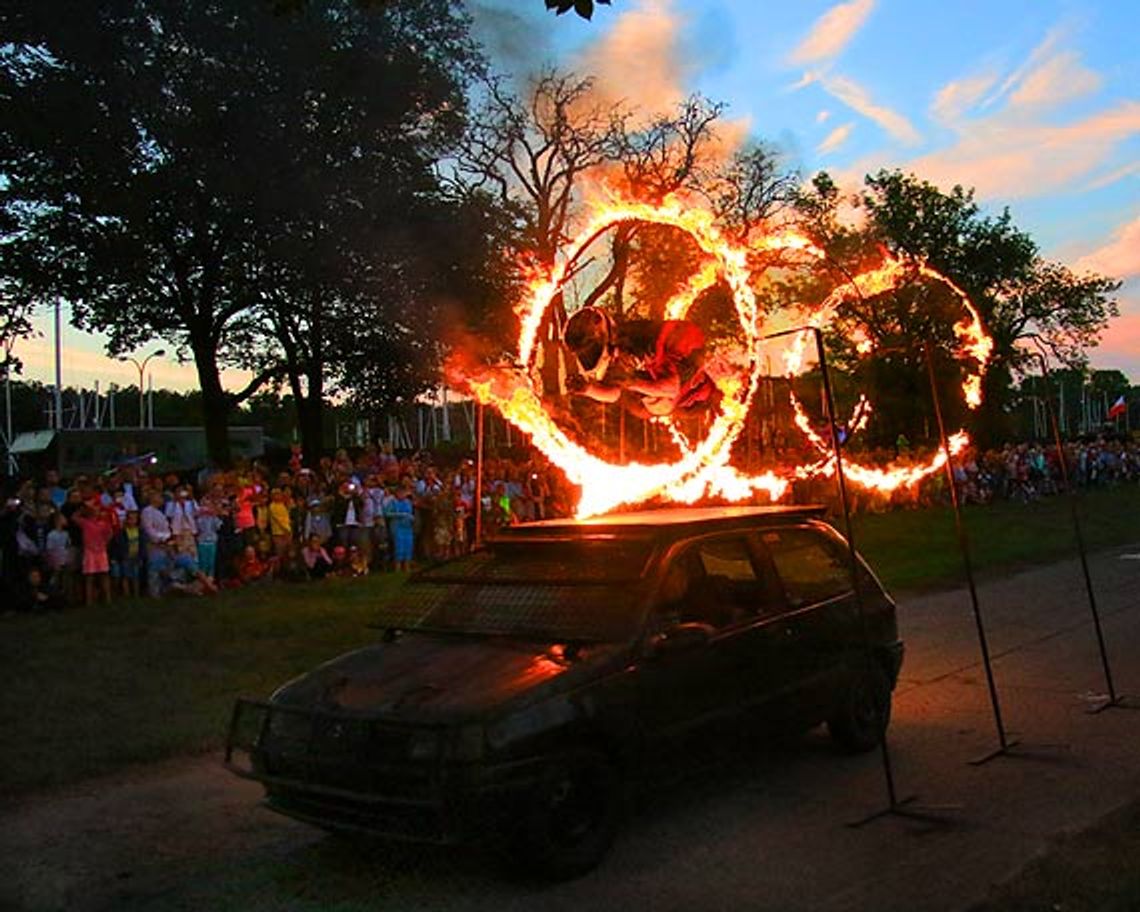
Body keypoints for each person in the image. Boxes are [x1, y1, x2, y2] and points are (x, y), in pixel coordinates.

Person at [563, 306, 721, 418]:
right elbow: (614, 393)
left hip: (696, 396)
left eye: (613, 355)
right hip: (666, 400)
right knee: (642, 402)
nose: (616, 361)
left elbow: (671, 388)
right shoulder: (620, 351)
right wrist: (588, 389)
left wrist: (632, 383)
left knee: (652, 401)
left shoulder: (671, 338)